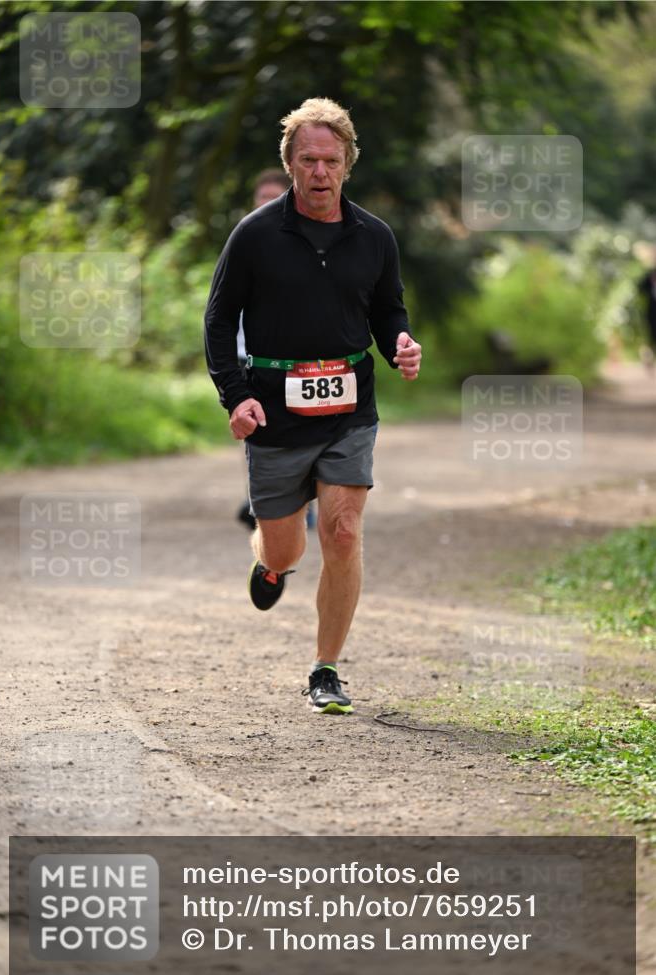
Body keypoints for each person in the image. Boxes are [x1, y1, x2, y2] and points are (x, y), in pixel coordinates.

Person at [204, 97, 421, 715]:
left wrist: (400, 343)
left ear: (347, 163)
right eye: (308, 160)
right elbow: (219, 321)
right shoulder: (255, 236)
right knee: (284, 550)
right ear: (291, 165)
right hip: (275, 410)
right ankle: (270, 569)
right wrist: (237, 397)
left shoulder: (375, 237)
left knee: (343, 532)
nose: (320, 171)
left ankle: (325, 669)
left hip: (351, 408)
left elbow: (387, 311)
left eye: (330, 159)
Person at [236, 170, 291, 530]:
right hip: (247, 357)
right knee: (257, 430)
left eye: (277, 197)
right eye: (263, 197)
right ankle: (262, 497)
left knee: (296, 429)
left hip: (294, 360)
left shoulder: (303, 243)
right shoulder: (242, 241)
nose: (268, 203)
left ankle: (299, 496)